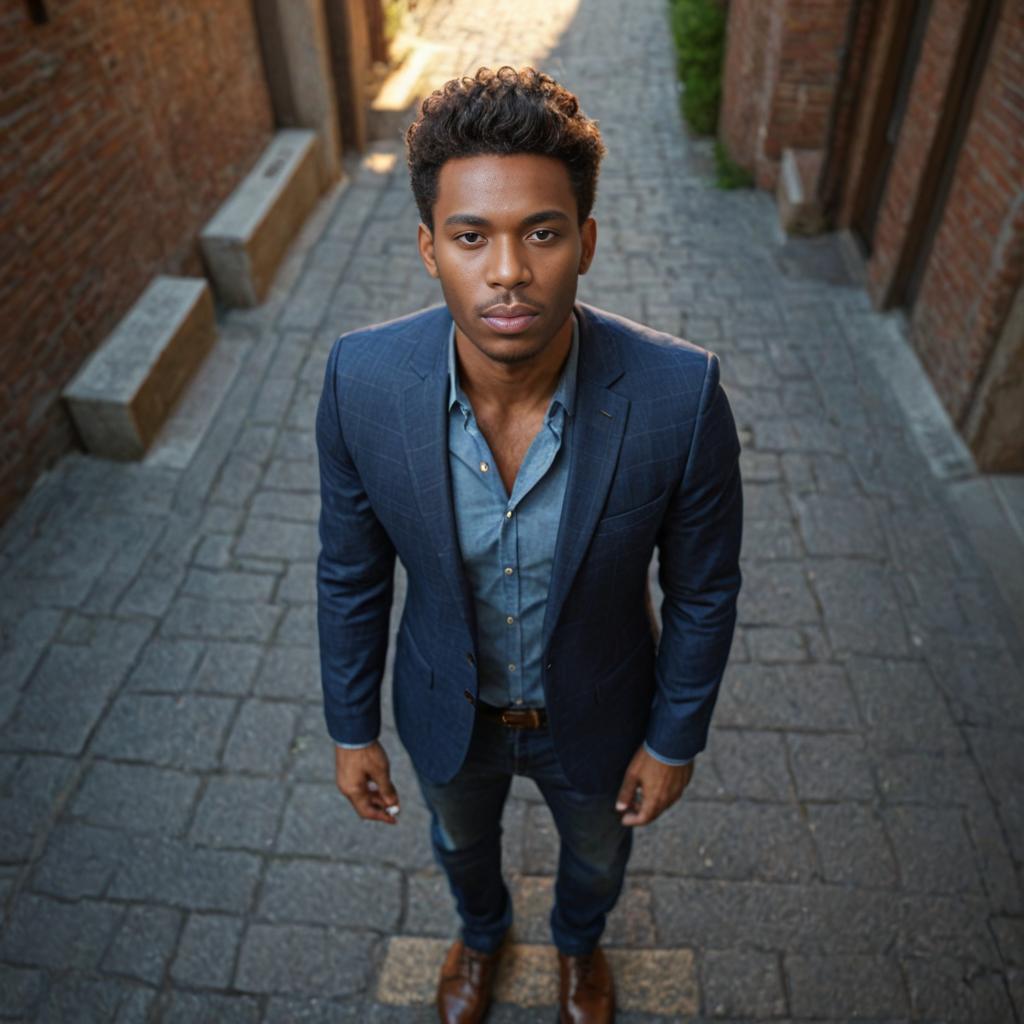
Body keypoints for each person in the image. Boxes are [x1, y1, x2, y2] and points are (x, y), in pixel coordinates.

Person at [316, 65, 743, 1024]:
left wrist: (675, 738)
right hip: (444, 713)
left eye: (540, 233)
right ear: (431, 248)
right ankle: (481, 932)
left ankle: (579, 948)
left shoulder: (681, 397)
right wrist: (351, 729)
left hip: (599, 716)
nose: (508, 269)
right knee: (459, 846)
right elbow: (350, 572)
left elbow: (705, 591)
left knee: (597, 858)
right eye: (472, 236)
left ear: (584, 241)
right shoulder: (361, 382)